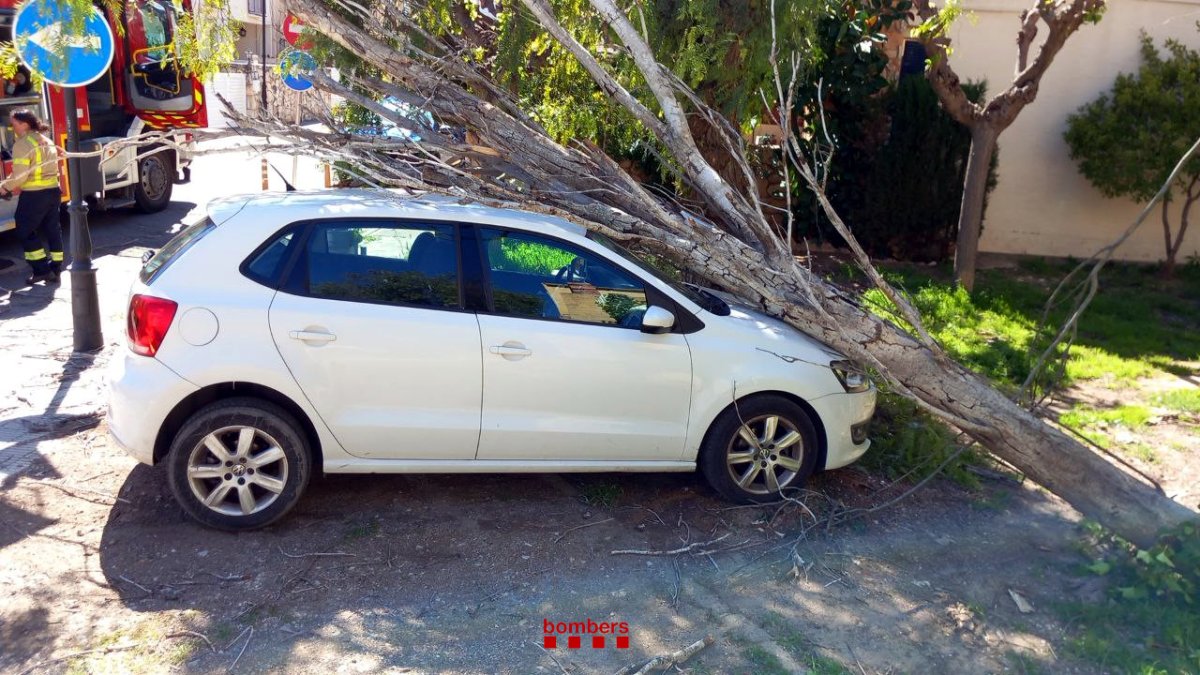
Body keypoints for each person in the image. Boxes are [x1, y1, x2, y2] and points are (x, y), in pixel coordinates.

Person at [1, 110, 63, 285]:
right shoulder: (46, 140)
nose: (11, 127)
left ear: (24, 124)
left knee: (24, 230)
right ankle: (56, 268)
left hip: (35, 194)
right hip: (53, 191)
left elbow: (21, 175)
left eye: (14, 124)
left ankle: (41, 270)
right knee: (52, 229)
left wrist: (4, 188)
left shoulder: (22, 144)